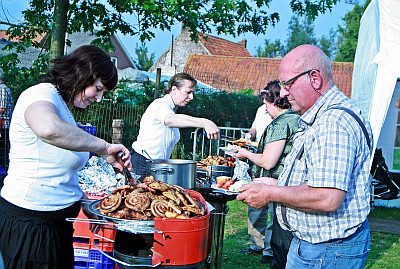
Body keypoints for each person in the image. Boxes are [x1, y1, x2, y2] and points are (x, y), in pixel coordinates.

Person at [237, 44, 373, 269]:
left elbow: (327, 197)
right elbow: (319, 179)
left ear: (315, 79)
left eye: (287, 84)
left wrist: (272, 193)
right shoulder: (321, 117)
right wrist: (279, 184)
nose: (282, 93)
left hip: (326, 250)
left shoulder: (333, 123)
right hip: (322, 248)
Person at [0, 45, 132, 269]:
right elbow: (48, 128)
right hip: (32, 229)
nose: (99, 99)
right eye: (98, 88)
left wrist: (90, 207)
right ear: (81, 73)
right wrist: (103, 147)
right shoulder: (40, 94)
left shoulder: (63, 106)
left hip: (55, 228)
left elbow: (58, 173)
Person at [234, 81, 299, 265]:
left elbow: (268, 161)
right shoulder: (296, 118)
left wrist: (245, 153)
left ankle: (271, 253)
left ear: (273, 102)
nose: (265, 109)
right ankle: (269, 251)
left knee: (278, 227)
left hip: (278, 181)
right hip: (292, 182)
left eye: (266, 104)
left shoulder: (281, 123)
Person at [131, 72, 219, 177]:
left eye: (192, 93)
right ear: (174, 90)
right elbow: (169, 120)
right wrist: (204, 122)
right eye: (188, 92)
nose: (191, 97)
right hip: (142, 164)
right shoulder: (160, 105)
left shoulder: (170, 108)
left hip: (155, 165)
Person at [0, 68, 13, 176]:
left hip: (4, 124)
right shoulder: (5, 88)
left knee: (3, 150)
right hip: (4, 124)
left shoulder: (2, 89)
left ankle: (4, 172)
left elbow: (2, 108)